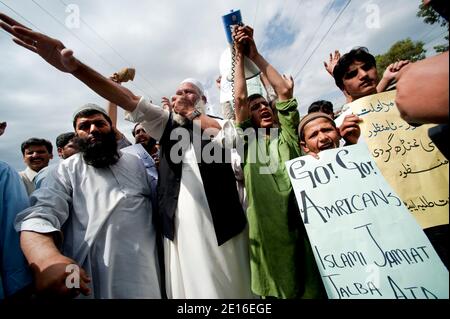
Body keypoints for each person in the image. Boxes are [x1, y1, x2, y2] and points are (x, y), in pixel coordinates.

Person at [0, 15, 251, 298]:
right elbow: (128, 100)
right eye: (178, 92)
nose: (181, 96)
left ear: (204, 99)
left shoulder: (217, 133)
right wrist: (75, 68)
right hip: (163, 253)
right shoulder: (69, 169)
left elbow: (240, 109)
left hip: (221, 238)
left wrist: (240, 56)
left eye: (190, 93)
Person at [15, 105, 162, 298]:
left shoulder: (138, 162)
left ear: (112, 129)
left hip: (147, 275)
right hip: (86, 279)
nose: (93, 129)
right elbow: (39, 215)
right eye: (84, 126)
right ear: (76, 136)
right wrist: (46, 259)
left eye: (100, 123)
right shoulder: (63, 170)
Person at [231, 25, 324, 298]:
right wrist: (239, 54)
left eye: (265, 105)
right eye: (255, 107)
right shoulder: (248, 143)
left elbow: (283, 89)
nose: (262, 109)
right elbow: (239, 97)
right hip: (267, 233)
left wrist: (255, 53)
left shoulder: (289, 137)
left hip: (303, 228)